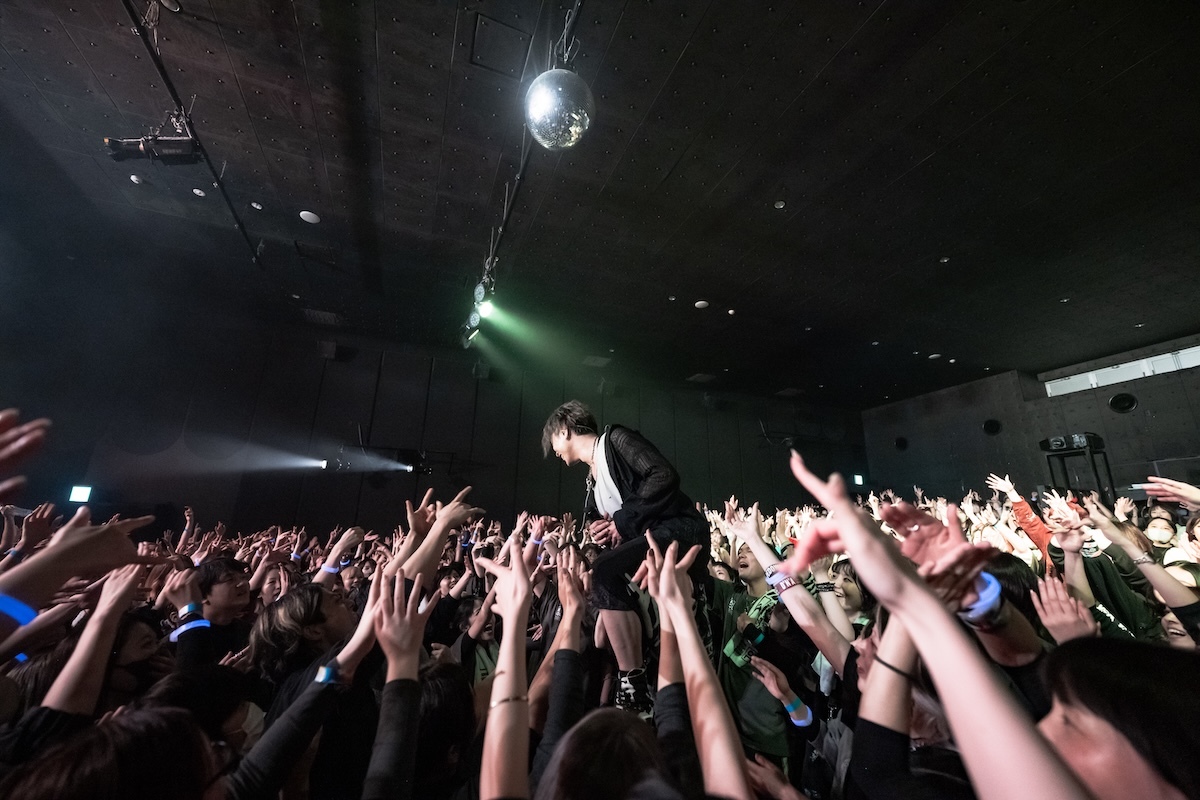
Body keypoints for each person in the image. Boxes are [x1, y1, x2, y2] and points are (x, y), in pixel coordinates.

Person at [542, 400, 709, 714]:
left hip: (680, 531)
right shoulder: (591, 479)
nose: (554, 451)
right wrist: (600, 526)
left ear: (564, 430)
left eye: (553, 441)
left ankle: (632, 683)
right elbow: (613, 518)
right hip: (650, 544)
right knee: (606, 579)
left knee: (604, 571)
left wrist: (621, 521)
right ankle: (643, 678)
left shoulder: (615, 440)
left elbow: (662, 475)